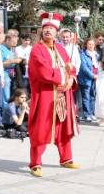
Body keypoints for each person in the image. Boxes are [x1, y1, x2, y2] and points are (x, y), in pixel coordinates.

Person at [27, 12, 80, 177]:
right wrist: (64, 75)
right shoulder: (37, 50)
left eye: (51, 28)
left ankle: (66, 159)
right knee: (41, 128)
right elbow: (43, 72)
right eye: (46, 28)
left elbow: (71, 67)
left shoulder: (61, 49)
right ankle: (35, 163)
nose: (48, 31)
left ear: (56, 31)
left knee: (63, 129)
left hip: (63, 96)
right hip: (46, 96)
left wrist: (71, 78)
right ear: (42, 31)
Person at [59, 28, 83, 119]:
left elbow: (78, 62)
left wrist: (74, 74)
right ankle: (63, 112)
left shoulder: (74, 48)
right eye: (63, 37)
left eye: (67, 37)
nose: (65, 39)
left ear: (70, 37)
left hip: (72, 76)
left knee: (72, 95)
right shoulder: (58, 47)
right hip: (61, 75)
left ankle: (73, 113)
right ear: (60, 37)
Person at [78, 37, 99, 123]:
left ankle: (92, 113)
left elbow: (99, 65)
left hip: (95, 78)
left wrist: (97, 75)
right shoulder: (83, 54)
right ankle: (87, 114)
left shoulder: (96, 54)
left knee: (93, 96)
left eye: (92, 44)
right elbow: (84, 68)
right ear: (86, 45)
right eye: (89, 44)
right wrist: (92, 75)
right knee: (86, 97)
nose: (91, 46)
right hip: (86, 79)